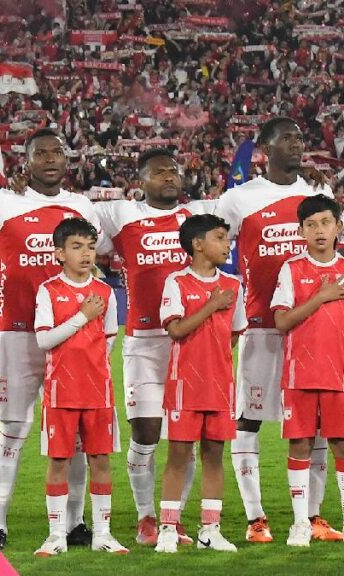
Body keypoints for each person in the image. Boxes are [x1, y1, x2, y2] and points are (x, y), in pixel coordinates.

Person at [0, 129, 99, 548]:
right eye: (42, 152)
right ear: (28, 160)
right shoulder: (3, 202)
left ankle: (75, 523)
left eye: (58, 151)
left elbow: (95, 258)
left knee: (74, 433)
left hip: (72, 336)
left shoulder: (80, 206)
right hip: (17, 336)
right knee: (14, 429)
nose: (51, 158)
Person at [214, 117, 340, 542]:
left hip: (315, 334)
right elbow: (212, 248)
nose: (296, 144)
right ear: (264, 148)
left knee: (319, 425)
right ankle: (255, 519)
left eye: (300, 137)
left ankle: (315, 517)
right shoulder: (238, 199)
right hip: (263, 329)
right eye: (286, 138)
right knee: (247, 422)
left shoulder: (315, 196)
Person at [95, 148, 211, 545]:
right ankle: (146, 517)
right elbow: (72, 215)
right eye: (159, 172)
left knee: (185, 436)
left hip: (192, 341)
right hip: (144, 342)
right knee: (145, 432)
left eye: (174, 171)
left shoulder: (198, 216)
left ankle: (172, 518)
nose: (169, 176)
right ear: (140, 182)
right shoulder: (120, 214)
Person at [33, 218, 126, 556]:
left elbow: (110, 339)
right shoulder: (49, 291)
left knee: (100, 460)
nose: (86, 254)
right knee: (59, 461)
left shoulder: (105, 292)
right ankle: (56, 535)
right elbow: (44, 339)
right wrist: (82, 317)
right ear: (59, 253)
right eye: (77, 247)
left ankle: (103, 533)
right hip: (60, 393)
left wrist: (90, 365)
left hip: (98, 392)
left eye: (90, 246)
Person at [155, 214, 244, 553]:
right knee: (178, 456)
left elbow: (234, 333)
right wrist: (210, 306)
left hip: (220, 386)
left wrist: (213, 359)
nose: (227, 245)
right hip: (184, 387)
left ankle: (210, 530)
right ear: (197, 244)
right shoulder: (177, 282)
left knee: (214, 456)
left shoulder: (233, 285)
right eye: (220, 238)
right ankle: (168, 528)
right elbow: (175, 329)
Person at [269, 195, 344, 547]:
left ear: (338, 227)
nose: (318, 230)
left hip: (340, 376)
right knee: (299, 444)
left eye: (325, 222)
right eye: (311, 224)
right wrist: (321, 297)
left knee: (342, 445)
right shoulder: (292, 268)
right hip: (300, 375)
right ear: (300, 231)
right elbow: (281, 321)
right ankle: (300, 523)